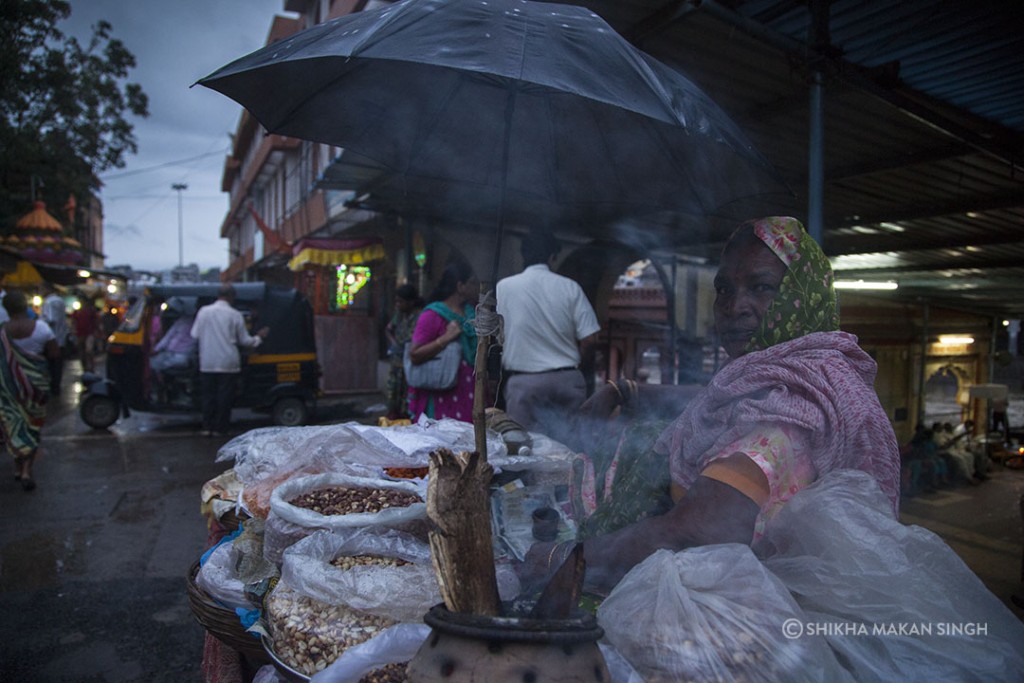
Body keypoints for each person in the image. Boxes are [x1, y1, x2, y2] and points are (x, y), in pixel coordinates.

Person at [522, 217, 900, 595]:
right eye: (724, 288)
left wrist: (561, 557)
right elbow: (709, 400)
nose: (735, 306)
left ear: (803, 295)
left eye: (762, 287)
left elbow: (691, 531)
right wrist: (626, 391)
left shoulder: (796, 412)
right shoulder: (775, 377)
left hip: (755, 619)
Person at [496, 228, 600, 444]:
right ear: (553, 257)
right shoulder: (570, 287)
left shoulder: (503, 287)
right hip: (566, 381)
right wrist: (576, 365)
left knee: (522, 451)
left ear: (524, 256)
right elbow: (590, 339)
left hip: (524, 384)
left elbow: (495, 337)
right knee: (570, 449)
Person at [190, 285, 268, 436]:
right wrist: (259, 337)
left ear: (218, 295)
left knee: (208, 396)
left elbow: (195, 335)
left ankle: (207, 427)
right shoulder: (234, 315)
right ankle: (221, 428)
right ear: (232, 297)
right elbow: (245, 341)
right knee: (224, 397)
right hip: (228, 363)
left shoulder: (204, 312)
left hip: (207, 362)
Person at [0, 291, 59, 491]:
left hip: (9, 387)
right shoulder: (42, 328)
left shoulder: (2, 331)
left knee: (13, 424)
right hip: (36, 386)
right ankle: (27, 469)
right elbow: (54, 354)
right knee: (33, 426)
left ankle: (18, 467)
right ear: (25, 305)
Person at [407, 262, 478, 423]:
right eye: (472, 282)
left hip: (470, 395)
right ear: (460, 286)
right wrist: (445, 338)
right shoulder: (433, 314)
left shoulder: (471, 314)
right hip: (442, 396)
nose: (477, 287)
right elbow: (415, 355)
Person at [384, 284, 423, 420]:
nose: (397, 305)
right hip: (396, 363)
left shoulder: (420, 317)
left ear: (411, 302)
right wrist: (394, 343)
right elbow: (388, 329)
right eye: (396, 301)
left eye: (400, 301)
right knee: (393, 396)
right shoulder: (399, 315)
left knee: (408, 401)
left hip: (411, 365)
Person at [41, 286, 70, 393]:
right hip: (60, 338)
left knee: (50, 364)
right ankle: (56, 387)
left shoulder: (48, 302)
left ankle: (51, 387)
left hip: (51, 339)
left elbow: (51, 319)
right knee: (57, 365)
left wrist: (40, 322)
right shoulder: (60, 301)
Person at [71, 297, 100, 373]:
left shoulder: (90, 311)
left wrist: (96, 331)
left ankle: (91, 367)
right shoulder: (77, 312)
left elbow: (96, 321)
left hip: (89, 333)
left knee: (88, 350)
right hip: (80, 333)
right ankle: (84, 367)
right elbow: (73, 322)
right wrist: (73, 330)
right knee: (81, 350)